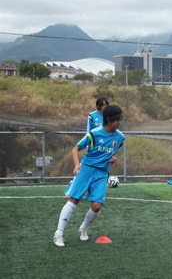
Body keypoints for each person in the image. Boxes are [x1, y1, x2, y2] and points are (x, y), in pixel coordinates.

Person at [54, 105, 125, 247]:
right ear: (109, 119)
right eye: (118, 119)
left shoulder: (120, 137)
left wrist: (114, 158)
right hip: (86, 169)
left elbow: (114, 151)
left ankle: (83, 228)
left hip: (102, 173)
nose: (120, 122)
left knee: (97, 206)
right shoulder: (94, 133)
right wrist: (77, 165)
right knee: (74, 200)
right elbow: (76, 149)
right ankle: (58, 234)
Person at [64, 97, 111, 197]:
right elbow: (89, 131)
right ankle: (70, 190)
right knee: (83, 167)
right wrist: (88, 145)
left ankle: (94, 191)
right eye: (103, 105)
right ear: (99, 106)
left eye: (107, 105)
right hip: (93, 145)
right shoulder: (92, 116)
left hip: (104, 147)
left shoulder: (109, 117)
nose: (105, 107)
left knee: (101, 168)